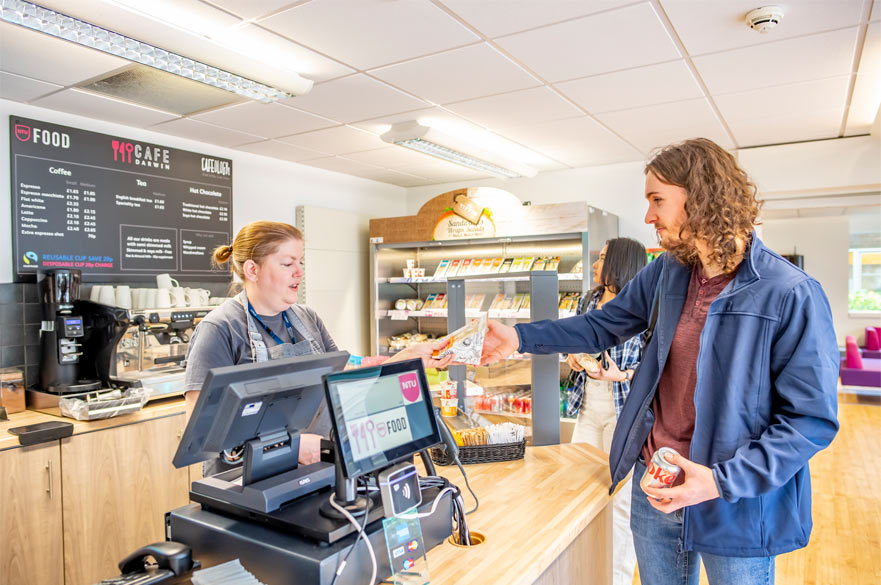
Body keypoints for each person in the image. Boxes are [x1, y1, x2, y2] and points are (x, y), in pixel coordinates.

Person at [479, 138, 839, 585]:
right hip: (657, 485)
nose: (649, 216)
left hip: (735, 501)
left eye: (657, 200)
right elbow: (600, 327)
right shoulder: (667, 272)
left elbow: (811, 420)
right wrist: (518, 336)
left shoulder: (789, 292)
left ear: (703, 198)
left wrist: (719, 482)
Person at [184, 220, 451, 476]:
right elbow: (202, 434)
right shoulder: (220, 329)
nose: (299, 272)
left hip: (315, 471)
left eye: (300, 262)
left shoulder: (306, 318)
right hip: (246, 487)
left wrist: (405, 359)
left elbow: (347, 380)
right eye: (288, 263)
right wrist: (291, 446)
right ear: (253, 270)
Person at [565, 237, 646, 585]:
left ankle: (616, 577)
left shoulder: (644, 304)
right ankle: (587, 570)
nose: (595, 265)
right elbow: (575, 337)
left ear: (620, 262)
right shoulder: (590, 299)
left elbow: (658, 365)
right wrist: (572, 354)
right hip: (588, 404)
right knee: (581, 487)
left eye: (601, 258)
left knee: (620, 499)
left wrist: (623, 374)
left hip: (623, 409)